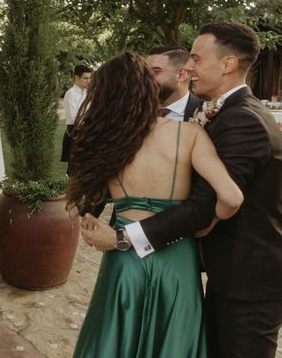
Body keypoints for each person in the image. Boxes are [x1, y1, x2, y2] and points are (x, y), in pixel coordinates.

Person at [84, 23, 282, 357]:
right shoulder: (222, 115)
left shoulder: (243, 119)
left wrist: (121, 238)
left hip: (250, 281)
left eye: (196, 58)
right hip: (225, 271)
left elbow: (205, 204)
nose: (187, 68)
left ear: (228, 64)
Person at [70, 53, 243, 357]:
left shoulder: (107, 143)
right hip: (177, 260)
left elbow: (92, 198)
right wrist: (210, 222)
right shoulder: (190, 134)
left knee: (116, 342)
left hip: (124, 260)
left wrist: (90, 217)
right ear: (148, 88)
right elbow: (231, 197)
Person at [146, 47, 202, 121]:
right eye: (145, 72)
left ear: (180, 75)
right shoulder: (135, 110)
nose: (146, 78)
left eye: (156, 72)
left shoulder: (205, 112)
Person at [61, 64, 91, 176]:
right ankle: (72, 192)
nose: (89, 81)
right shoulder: (70, 94)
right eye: (85, 78)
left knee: (86, 167)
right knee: (74, 169)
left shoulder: (87, 93)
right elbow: (75, 118)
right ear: (76, 78)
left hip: (87, 131)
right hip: (74, 132)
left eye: (89, 78)